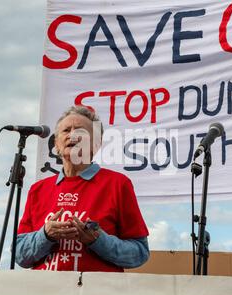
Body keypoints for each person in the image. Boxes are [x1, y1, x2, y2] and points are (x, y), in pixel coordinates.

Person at [16, 106, 150, 272]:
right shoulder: (38, 189)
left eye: (80, 131)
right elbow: (20, 254)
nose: (72, 135)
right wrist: (45, 235)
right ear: (56, 144)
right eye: (66, 130)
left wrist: (97, 241)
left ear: (96, 144)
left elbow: (140, 252)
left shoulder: (118, 184)